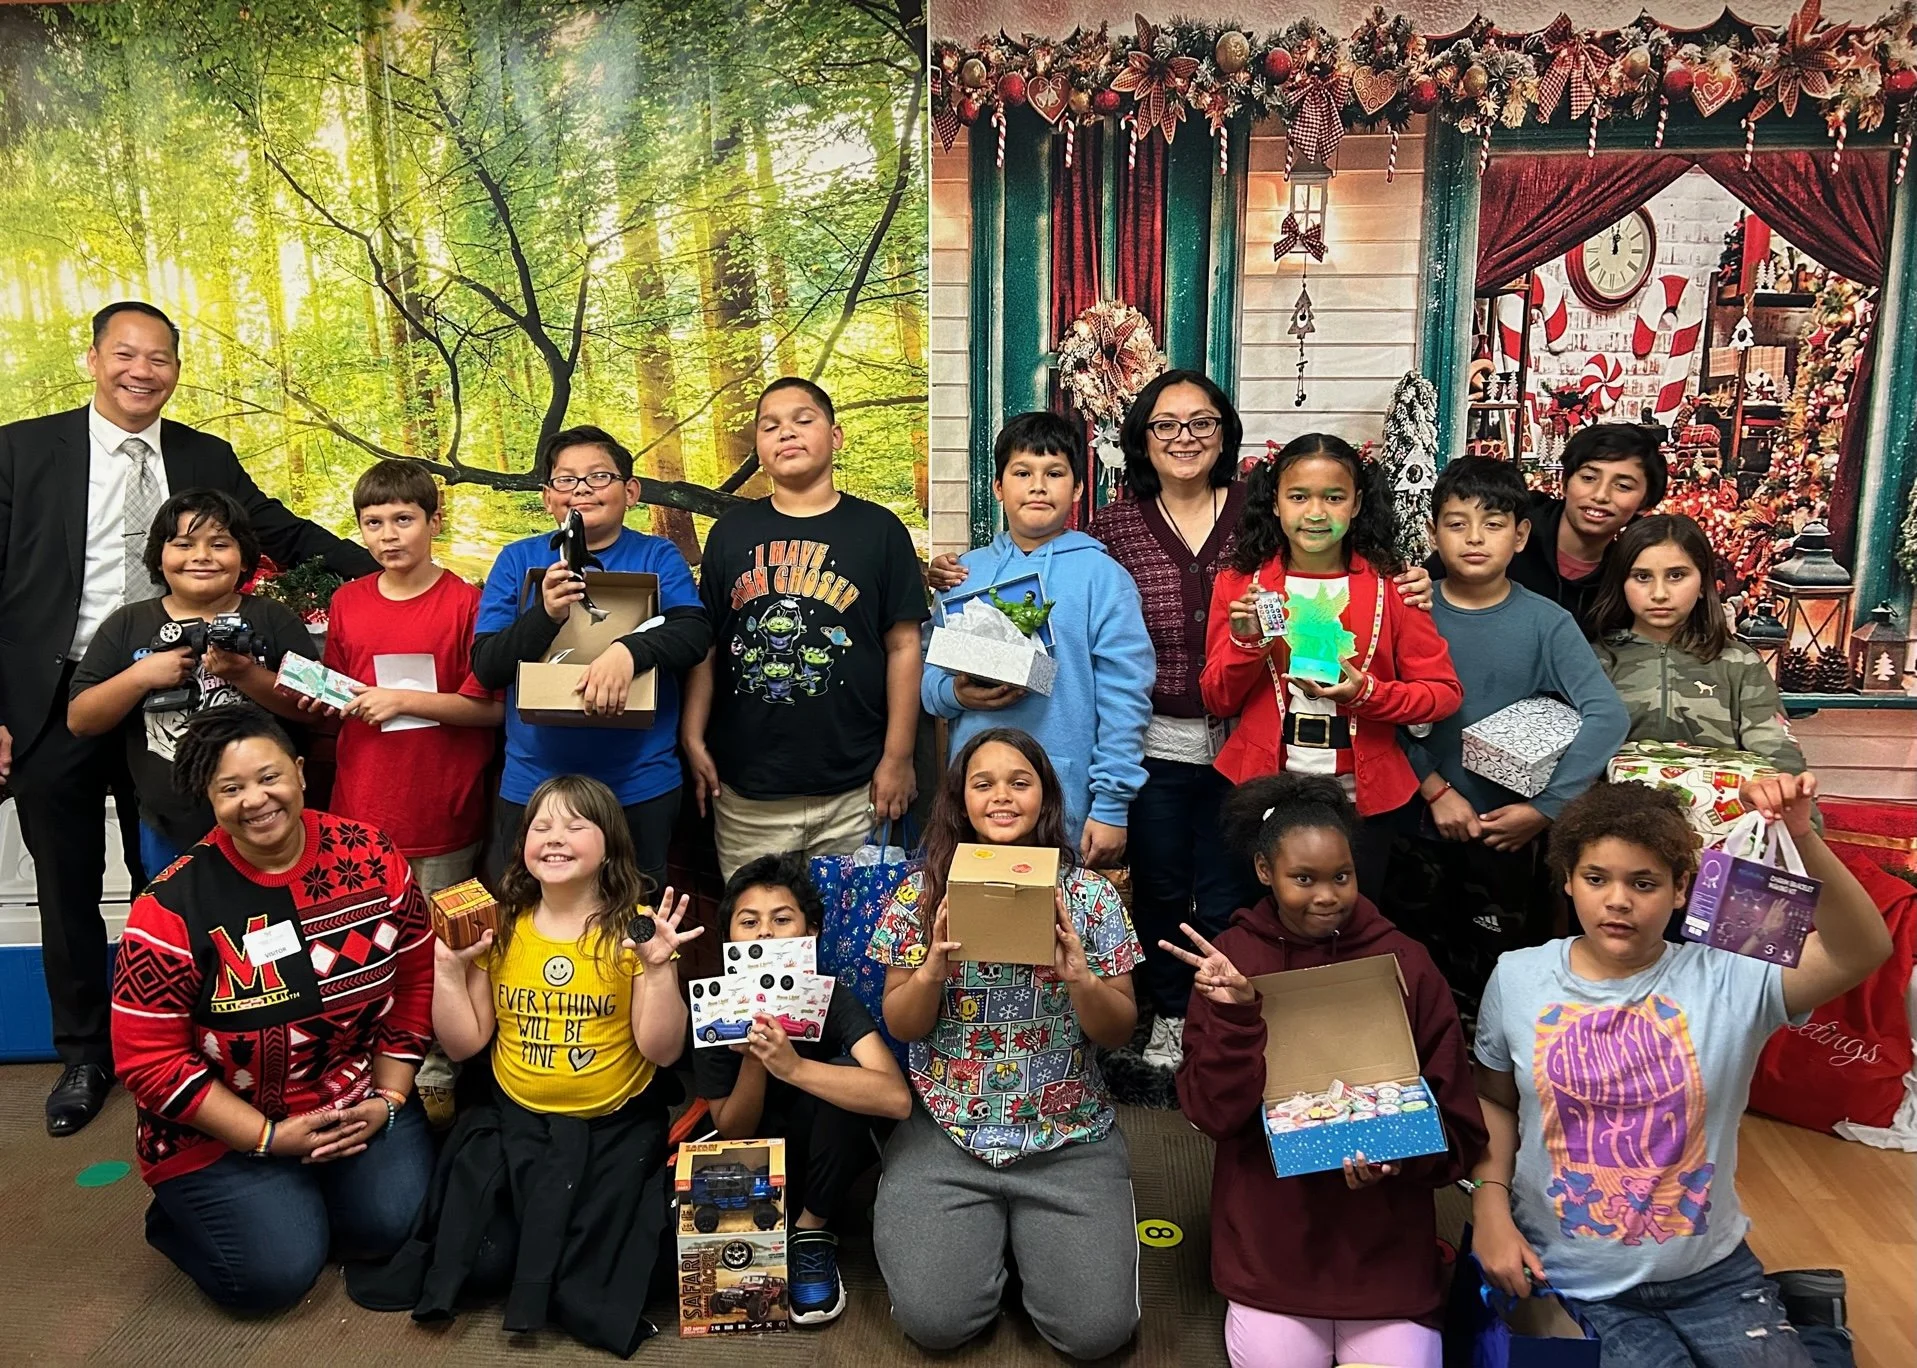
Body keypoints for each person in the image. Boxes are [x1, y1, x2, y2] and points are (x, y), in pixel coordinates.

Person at [0, 300, 374, 1135]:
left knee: (173, 877)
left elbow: (278, 529)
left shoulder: (203, 455)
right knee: (64, 886)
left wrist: (386, 565)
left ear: (175, 366)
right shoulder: (22, 449)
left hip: (187, 709)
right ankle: (84, 1055)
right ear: (93, 358)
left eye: (160, 357)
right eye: (125, 355)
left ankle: (186, 1040)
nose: (143, 371)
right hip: (62, 693)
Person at [1470, 776, 1889, 1368]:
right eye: (1597, 879)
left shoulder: (1728, 976)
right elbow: (1495, 1101)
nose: (1618, 900)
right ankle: (1810, 1321)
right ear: (1567, 880)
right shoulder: (1517, 977)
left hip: (1711, 1274)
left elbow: (1862, 950)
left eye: (1643, 883)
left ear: (1680, 890)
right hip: (1574, 1277)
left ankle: (1815, 1329)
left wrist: (1802, 836)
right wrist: (1488, 1208)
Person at [351, 774, 701, 1356]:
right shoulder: (502, 925)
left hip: (610, 1130)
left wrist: (660, 968)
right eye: (540, 826)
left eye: (574, 824)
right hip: (516, 1125)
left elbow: (662, 1052)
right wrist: (446, 968)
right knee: (484, 1265)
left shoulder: (636, 928)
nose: (554, 837)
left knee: (616, 1271)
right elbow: (465, 1045)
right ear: (522, 846)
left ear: (610, 844)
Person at [109, 705, 433, 1311]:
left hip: (353, 1097)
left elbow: (414, 982)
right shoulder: (173, 905)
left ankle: (298, 1193)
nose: (255, 800)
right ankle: (192, 1213)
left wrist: (387, 1100)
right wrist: (268, 1138)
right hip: (225, 1127)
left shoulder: (371, 856)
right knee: (273, 1277)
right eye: (230, 788)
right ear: (210, 799)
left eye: (269, 777)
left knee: (392, 1227)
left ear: (302, 773)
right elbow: (147, 1063)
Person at [1170, 773, 1488, 1368]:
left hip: (1384, 1245)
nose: (1327, 896)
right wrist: (1239, 1018)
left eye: (1341, 876)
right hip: (1275, 1240)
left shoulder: (1406, 964)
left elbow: (1462, 1130)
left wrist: (1399, 1155)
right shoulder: (1233, 964)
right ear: (1265, 872)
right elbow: (1211, 1115)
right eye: (1303, 879)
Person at [868, 727, 1143, 1360]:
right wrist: (933, 968)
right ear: (959, 799)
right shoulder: (920, 893)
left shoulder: (1090, 896)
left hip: (1066, 1134)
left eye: (1020, 783)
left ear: (1044, 796)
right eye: (982, 783)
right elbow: (903, 1025)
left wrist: (1080, 976)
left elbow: (1118, 1031)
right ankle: (989, 1243)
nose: (1001, 797)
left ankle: (1033, 1247)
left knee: (1097, 1335)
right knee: (936, 1324)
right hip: (949, 1129)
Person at [1399, 456, 1629, 1008]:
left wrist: (1547, 808)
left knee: (1496, 977)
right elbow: (1379, 709)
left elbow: (1607, 716)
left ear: (1521, 535)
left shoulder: (1546, 622)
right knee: (1410, 968)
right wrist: (1435, 789)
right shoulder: (1409, 609)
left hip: (1505, 835)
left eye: (1494, 524)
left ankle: (1491, 1081)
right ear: (1434, 532)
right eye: (1456, 524)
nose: (1474, 539)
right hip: (1414, 825)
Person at [682, 378, 929, 879]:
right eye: (770, 425)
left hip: (855, 787)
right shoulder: (731, 533)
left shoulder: (880, 531)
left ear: (835, 436)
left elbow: (904, 646)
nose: (786, 433)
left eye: (803, 419)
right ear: (758, 446)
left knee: (850, 948)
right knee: (759, 945)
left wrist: (899, 757)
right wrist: (692, 735)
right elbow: (708, 644)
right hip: (748, 792)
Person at [1202, 433, 1460, 897]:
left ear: (1357, 504)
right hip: (1266, 790)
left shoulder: (1394, 585)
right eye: (1298, 496)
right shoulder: (1241, 584)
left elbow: (1442, 694)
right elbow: (1217, 699)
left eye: (1333, 497)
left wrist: (1369, 694)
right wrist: (1247, 644)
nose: (1316, 513)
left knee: (1352, 925)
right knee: (1265, 926)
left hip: (1361, 796)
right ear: (1275, 503)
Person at [471, 426, 710, 892]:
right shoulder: (518, 560)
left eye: (599, 476)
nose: (581, 488)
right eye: (566, 479)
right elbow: (488, 666)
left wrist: (628, 652)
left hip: (639, 784)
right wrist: (545, 615)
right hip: (535, 788)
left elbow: (694, 634)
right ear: (547, 497)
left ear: (631, 491)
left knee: (638, 928)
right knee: (531, 925)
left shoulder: (657, 555)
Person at [921, 410, 1154, 868]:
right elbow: (930, 683)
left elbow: (1125, 700)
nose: (1038, 486)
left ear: (1080, 489)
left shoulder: (1103, 578)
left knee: (1059, 925)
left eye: (1055, 473)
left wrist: (1111, 804)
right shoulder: (965, 575)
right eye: (1022, 473)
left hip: (1064, 797)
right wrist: (957, 693)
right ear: (998, 488)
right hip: (974, 799)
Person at [694, 853, 913, 1325]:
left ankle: (811, 1233)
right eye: (748, 921)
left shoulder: (828, 994)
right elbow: (731, 1131)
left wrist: (792, 1068)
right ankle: (773, 1231)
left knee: (843, 1078)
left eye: (782, 919)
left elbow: (894, 1098)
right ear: (729, 936)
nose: (765, 933)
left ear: (810, 933)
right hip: (759, 1163)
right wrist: (755, 1062)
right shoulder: (716, 1008)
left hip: (828, 1156)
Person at [68, 489, 322, 875]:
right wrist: (141, 676)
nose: (201, 556)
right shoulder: (127, 624)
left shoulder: (273, 618)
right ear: (159, 555)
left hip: (271, 816)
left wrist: (245, 674)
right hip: (167, 822)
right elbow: (81, 720)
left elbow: (315, 708)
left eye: (220, 544)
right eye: (184, 544)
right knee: (178, 920)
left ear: (244, 557)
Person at [316, 459, 502, 894]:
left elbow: (494, 710)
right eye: (373, 522)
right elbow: (345, 690)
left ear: (434, 521)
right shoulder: (347, 601)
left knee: (442, 950)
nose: (388, 535)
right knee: (366, 945)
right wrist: (320, 696)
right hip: (360, 808)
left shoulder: (469, 605)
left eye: (404, 519)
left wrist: (400, 699)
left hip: (441, 812)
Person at [1591, 513, 1807, 774]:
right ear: (1621, 583)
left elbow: (1774, 746)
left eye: (1676, 575)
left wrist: (1791, 792)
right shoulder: (1594, 661)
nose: (1659, 594)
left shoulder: (1739, 663)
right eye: (1642, 577)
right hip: (1617, 809)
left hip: (1721, 807)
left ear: (1703, 584)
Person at [1430, 423, 1666, 633]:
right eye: (1588, 478)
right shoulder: (1507, 525)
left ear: (1645, 504)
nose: (1600, 495)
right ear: (1565, 481)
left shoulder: (1629, 572)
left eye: (1623, 486)